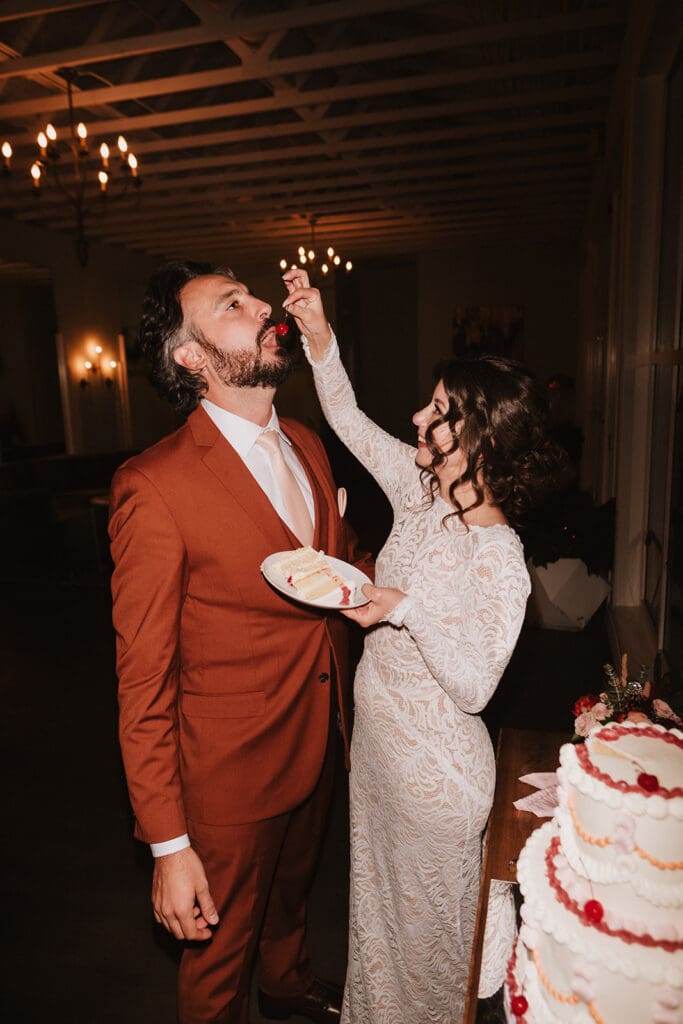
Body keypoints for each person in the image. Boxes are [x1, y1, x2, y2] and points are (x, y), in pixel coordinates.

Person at [281, 268, 566, 1023]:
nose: (416, 417)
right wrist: (319, 335)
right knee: (377, 930)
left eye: (437, 411)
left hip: (436, 780)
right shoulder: (418, 491)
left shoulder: (499, 558)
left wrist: (404, 609)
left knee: (429, 955)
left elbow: (473, 687)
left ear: (479, 438)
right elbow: (346, 418)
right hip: (379, 757)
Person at [109, 260, 372, 1024]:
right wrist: (168, 847)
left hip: (321, 731)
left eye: (250, 295)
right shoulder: (153, 486)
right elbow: (142, 683)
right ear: (192, 357)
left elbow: (342, 563)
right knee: (218, 962)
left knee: (291, 897)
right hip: (228, 778)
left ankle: (287, 984)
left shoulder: (306, 443)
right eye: (233, 305)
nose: (262, 306)